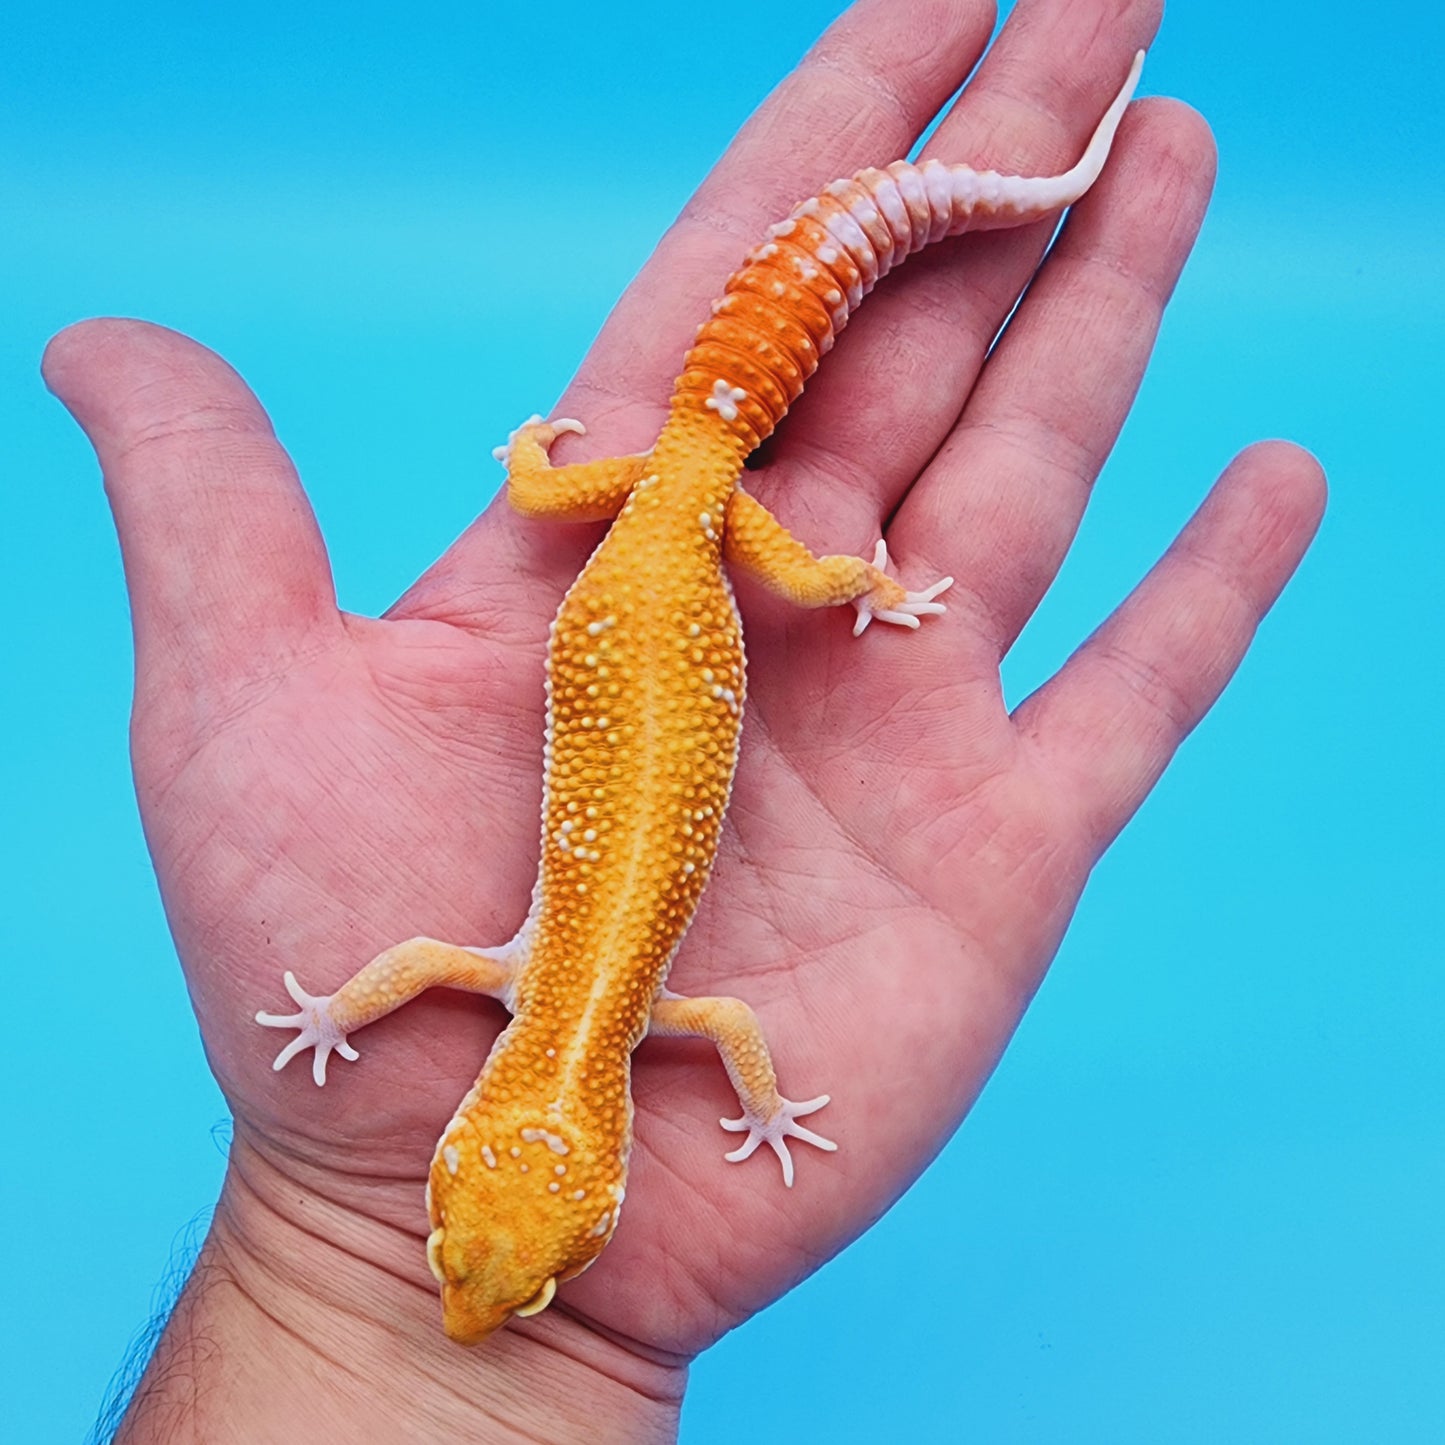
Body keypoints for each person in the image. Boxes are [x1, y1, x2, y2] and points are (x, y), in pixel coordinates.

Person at [45, 0, 1323, 1438]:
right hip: (679, 540)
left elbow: (710, 1027)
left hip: (669, 536)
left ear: (501, 1152)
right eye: (500, 1282)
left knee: (723, 460)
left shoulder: (631, 1011)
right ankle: (957, 223)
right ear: (527, 1157)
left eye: (465, 1267)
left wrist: (346, 1017)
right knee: (681, 474)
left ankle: (985, 206)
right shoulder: (529, 982)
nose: (462, 1296)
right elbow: (430, 971)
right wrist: (586, 491)